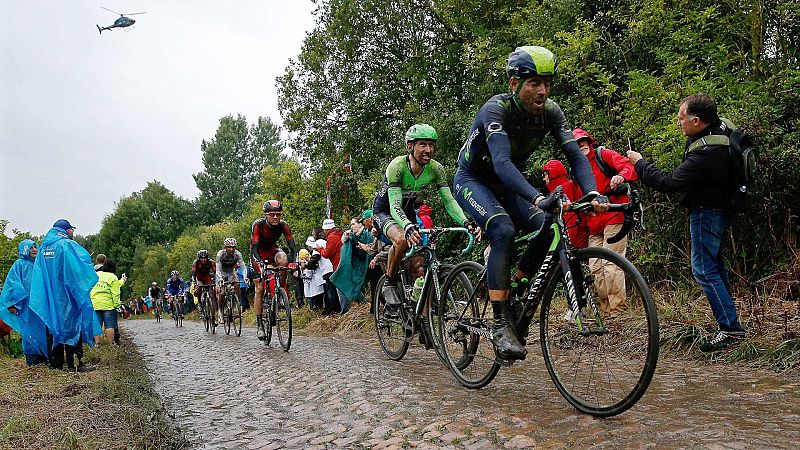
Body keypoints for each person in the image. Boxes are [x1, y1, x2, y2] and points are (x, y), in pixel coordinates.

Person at [453, 46, 608, 360]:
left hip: (506, 183)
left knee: (551, 225)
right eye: (534, 83)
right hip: (473, 179)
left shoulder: (552, 112)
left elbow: (577, 157)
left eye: (547, 83)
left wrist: (592, 194)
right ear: (514, 84)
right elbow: (501, 162)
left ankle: (519, 281)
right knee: (503, 230)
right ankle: (499, 324)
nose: (543, 90)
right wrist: (538, 197)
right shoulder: (495, 110)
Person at [627, 93, 745, 351]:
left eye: (682, 119)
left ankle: (730, 330)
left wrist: (640, 164)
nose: (678, 123)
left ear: (697, 121)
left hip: (706, 212)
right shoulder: (722, 131)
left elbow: (668, 183)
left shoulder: (707, 152)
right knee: (715, 267)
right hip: (721, 209)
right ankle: (731, 325)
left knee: (703, 270)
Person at [373, 123, 479, 315]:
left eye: (431, 145)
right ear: (410, 146)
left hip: (408, 214)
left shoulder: (435, 169)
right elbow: (395, 205)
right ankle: (389, 281)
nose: (428, 150)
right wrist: (406, 226)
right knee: (402, 240)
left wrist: (466, 222)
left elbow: (449, 201)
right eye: (422, 144)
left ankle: (421, 315)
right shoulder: (397, 166)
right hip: (385, 212)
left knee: (420, 265)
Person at [573, 128, 638, 316]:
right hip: (594, 224)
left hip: (614, 216)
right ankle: (606, 311)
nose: (582, 145)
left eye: (584, 141)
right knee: (595, 268)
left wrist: (621, 176)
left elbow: (629, 167)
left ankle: (619, 311)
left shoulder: (603, 155)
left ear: (589, 142)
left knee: (611, 265)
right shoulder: (577, 170)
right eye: (577, 143)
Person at [29, 219, 101, 371]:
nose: (73, 233)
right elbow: (80, 266)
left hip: (50, 295)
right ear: (67, 230)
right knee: (72, 325)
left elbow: (39, 274)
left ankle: (56, 364)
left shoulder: (43, 249)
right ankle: (74, 363)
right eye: (72, 230)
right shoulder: (67, 245)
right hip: (67, 295)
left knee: (53, 325)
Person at [251, 200, 297, 340]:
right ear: (266, 215)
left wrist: (293, 262)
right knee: (259, 288)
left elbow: (292, 247)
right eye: (272, 214)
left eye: (278, 214)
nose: (276, 217)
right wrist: (261, 264)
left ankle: (279, 292)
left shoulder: (283, 225)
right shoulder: (258, 225)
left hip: (272, 251)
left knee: (284, 259)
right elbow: (254, 249)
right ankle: (260, 324)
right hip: (258, 254)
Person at [0, 239, 48, 366]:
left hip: (41, 304)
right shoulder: (19, 265)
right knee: (28, 330)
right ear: (24, 250)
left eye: (35, 247)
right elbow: (12, 284)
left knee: (42, 329)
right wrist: (12, 303)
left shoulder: (41, 265)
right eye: (31, 248)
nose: (34, 250)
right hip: (25, 306)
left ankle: (44, 357)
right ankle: (32, 360)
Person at [331, 216, 375, 313]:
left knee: (358, 285)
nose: (351, 226)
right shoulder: (354, 235)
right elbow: (345, 244)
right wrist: (346, 237)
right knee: (351, 284)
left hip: (367, 266)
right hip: (358, 266)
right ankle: (364, 305)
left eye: (353, 224)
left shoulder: (367, 234)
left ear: (360, 224)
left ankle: (366, 306)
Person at [542, 159, 588, 249]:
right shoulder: (565, 186)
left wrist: (568, 244)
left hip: (576, 235)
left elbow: (569, 217)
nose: (544, 178)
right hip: (578, 232)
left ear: (552, 175)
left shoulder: (563, 188)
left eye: (545, 175)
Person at [90, 259, 124, 345]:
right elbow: (115, 293)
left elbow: (90, 289)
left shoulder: (96, 275)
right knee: (109, 326)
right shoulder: (113, 277)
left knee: (97, 325)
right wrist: (117, 305)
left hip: (95, 304)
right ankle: (110, 344)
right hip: (108, 305)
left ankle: (97, 344)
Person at [314, 219, 344, 315]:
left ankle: (338, 310)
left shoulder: (332, 237)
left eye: (325, 230)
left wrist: (320, 249)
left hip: (334, 266)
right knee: (340, 288)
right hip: (342, 263)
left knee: (333, 291)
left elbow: (327, 253)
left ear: (327, 230)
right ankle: (342, 309)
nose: (324, 232)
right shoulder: (340, 234)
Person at [215, 237, 247, 320]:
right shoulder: (220, 254)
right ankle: (220, 310)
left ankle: (237, 305)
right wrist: (220, 279)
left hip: (231, 272)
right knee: (222, 293)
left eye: (233, 247)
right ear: (225, 247)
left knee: (237, 285)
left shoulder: (238, 254)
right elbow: (217, 269)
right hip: (221, 273)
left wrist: (245, 277)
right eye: (229, 247)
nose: (231, 249)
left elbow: (243, 267)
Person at [191, 249, 216, 316]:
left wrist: (216, 280)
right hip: (198, 277)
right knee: (199, 288)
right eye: (201, 258)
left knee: (211, 290)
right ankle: (200, 304)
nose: (203, 259)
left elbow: (215, 272)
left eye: (205, 258)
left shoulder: (211, 262)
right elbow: (193, 274)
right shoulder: (195, 263)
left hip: (206, 277)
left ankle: (213, 308)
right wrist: (194, 282)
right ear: (199, 258)